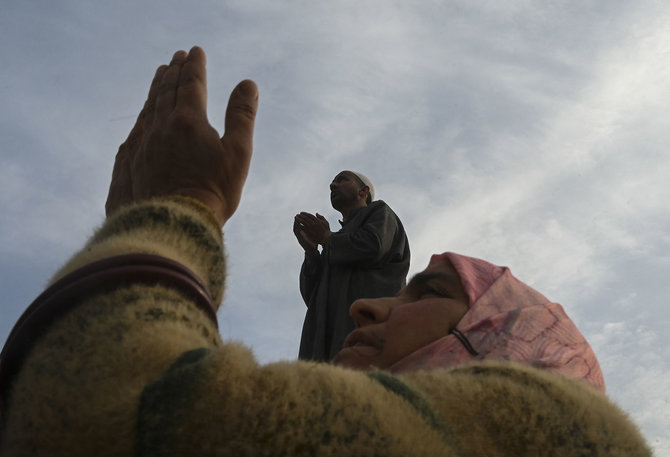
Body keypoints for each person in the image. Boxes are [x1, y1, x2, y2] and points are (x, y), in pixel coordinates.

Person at [0, 47, 651, 456]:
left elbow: (114, 422)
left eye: (424, 293)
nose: (370, 306)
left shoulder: (380, 219)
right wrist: (315, 253)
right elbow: (322, 291)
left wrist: (176, 212)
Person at [294, 171, 410, 361]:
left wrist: (326, 238)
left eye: (342, 180)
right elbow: (312, 297)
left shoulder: (380, 212)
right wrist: (312, 253)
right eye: (332, 182)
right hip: (324, 346)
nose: (333, 185)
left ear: (363, 191)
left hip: (366, 333)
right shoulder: (334, 243)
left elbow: (373, 246)